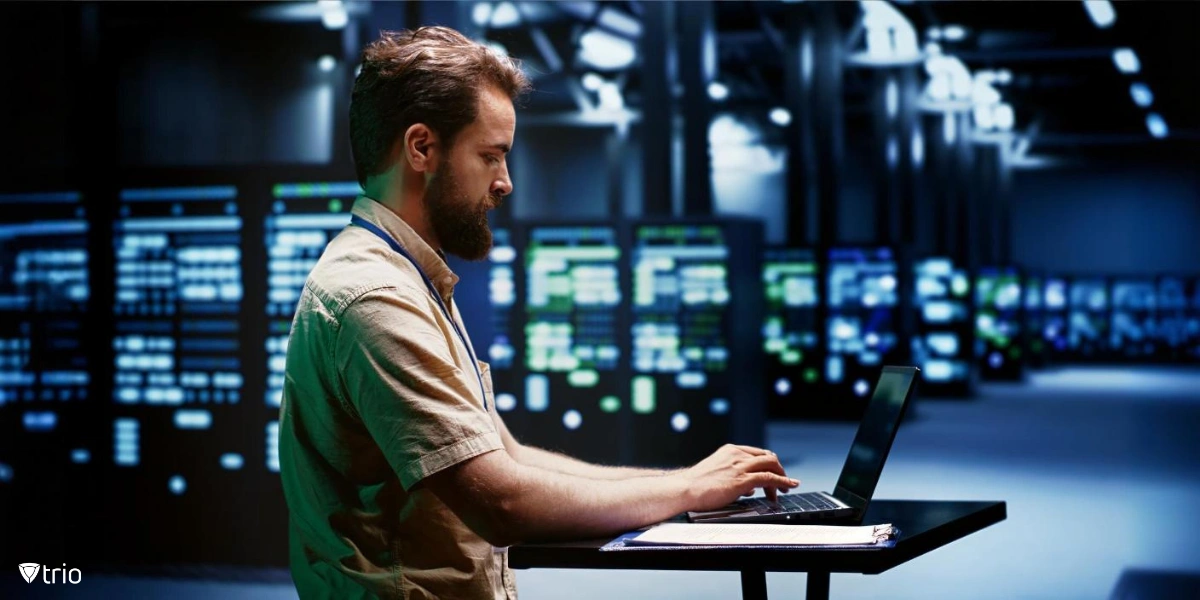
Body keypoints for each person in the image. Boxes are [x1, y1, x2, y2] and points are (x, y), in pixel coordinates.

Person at [278, 26, 799, 600]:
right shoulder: (375, 296)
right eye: (490, 155)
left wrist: (689, 483)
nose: (505, 182)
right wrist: (691, 491)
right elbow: (502, 502)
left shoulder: (410, 279)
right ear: (421, 147)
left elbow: (510, 460)